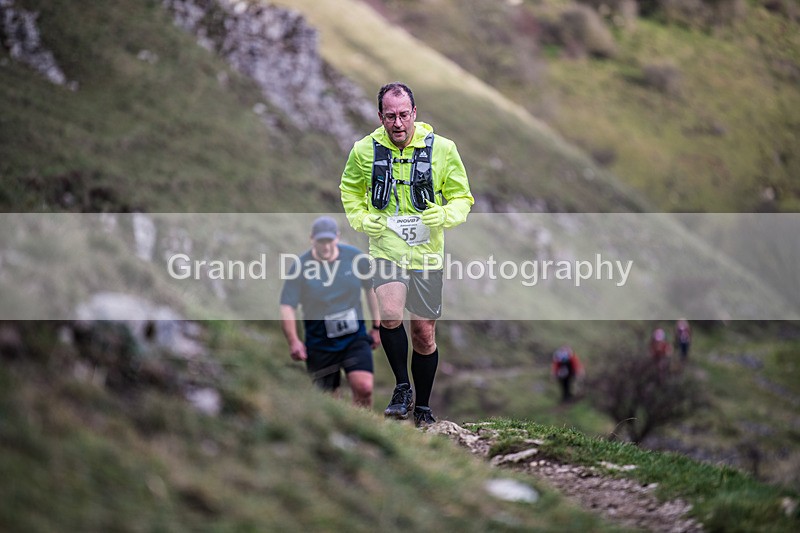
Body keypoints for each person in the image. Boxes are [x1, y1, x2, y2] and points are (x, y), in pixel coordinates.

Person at [340, 82, 474, 427]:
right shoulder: (364, 150)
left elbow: (462, 198)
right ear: (380, 116)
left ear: (415, 113)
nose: (397, 123)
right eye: (390, 116)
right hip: (386, 249)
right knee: (389, 313)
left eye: (403, 115)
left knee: (423, 335)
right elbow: (350, 189)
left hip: (427, 254)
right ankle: (402, 387)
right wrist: (362, 219)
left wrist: (443, 215)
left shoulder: (443, 150)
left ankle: (424, 406)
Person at [279, 216, 382, 407]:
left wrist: (377, 326)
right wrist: (293, 341)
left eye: (329, 241)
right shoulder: (299, 267)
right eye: (321, 241)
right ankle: (342, 433)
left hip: (354, 338)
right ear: (312, 239)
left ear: (337, 238)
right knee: (329, 402)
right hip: (320, 344)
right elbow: (287, 306)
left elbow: (371, 288)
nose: (325, 246)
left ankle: (361, 427)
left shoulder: (355, 258)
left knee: (364, 388)